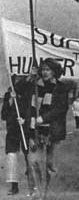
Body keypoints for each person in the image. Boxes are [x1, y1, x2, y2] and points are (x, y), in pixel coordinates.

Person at [15, 58, 71, 197]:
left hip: (52, 131)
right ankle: (39, 194)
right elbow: (17, 90)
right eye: (43, 69)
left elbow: (61, 108)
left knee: (51, 165)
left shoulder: (61, 87)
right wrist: (29, 76)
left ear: (54, 71)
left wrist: (44, 118)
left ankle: (49, 194)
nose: (45, 72)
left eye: (48, 70)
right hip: (34, 131)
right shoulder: (33, 84)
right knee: (34, 162)